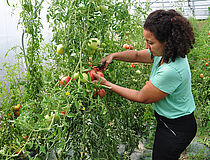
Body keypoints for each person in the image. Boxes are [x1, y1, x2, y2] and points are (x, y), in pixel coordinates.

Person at [92, 9, 197, 160]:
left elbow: (141, 96)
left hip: (177, 126)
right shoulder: (165, 53)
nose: (147, 46)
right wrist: (113, 56)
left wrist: (106, 83)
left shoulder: (171, 70)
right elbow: (135, 55)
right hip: (169, 120)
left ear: (167, 41)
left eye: (150, 42)